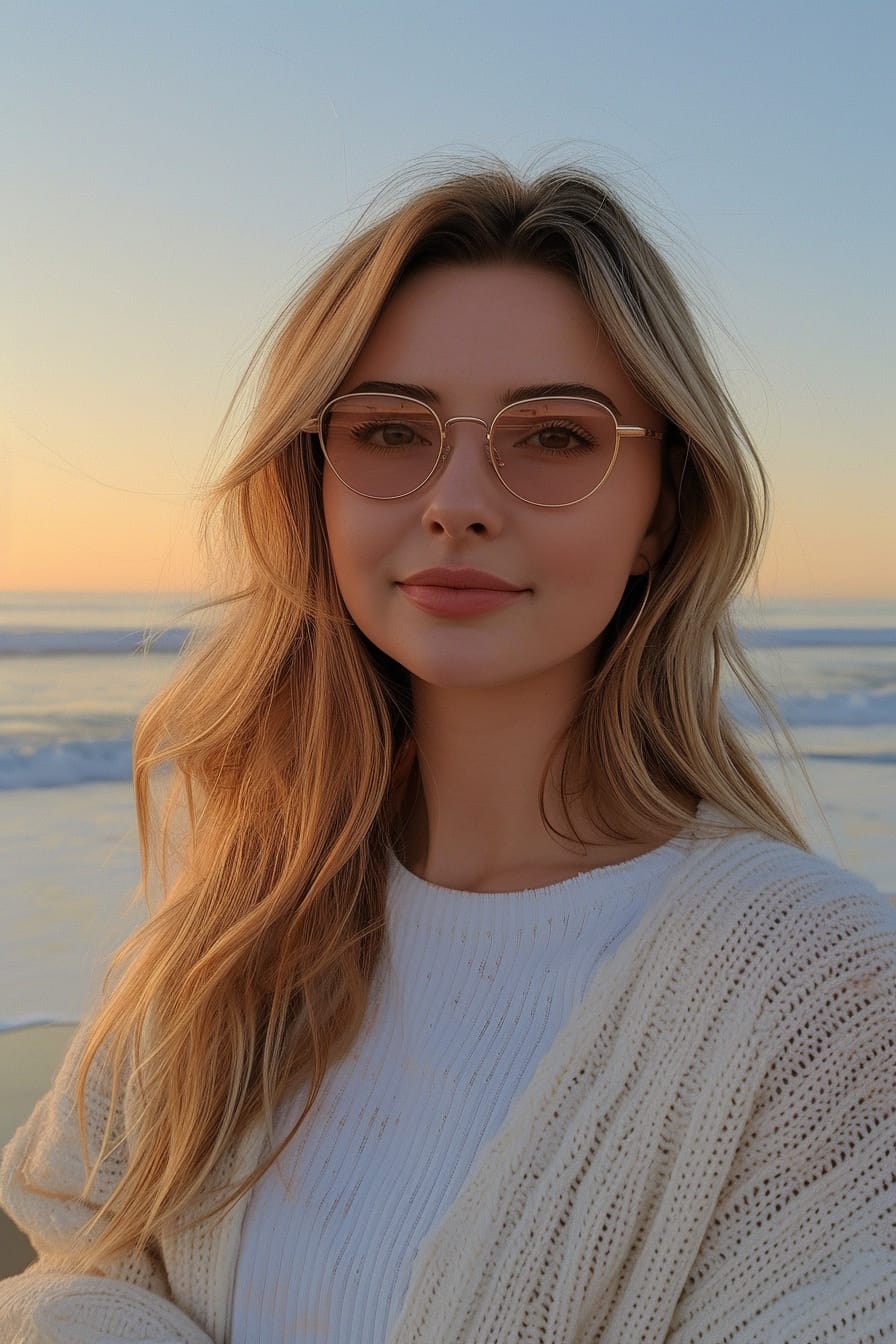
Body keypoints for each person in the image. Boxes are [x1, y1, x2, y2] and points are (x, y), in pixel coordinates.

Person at [2, 158, 894, 1343]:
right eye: (386, 429)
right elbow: (77, 1259)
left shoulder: (823, 990)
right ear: (314, 490)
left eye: (554, 438)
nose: (458, 498)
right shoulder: (234, 925)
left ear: (661, 513)